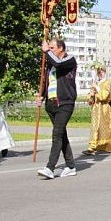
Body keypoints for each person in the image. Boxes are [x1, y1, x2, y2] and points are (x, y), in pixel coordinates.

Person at [36, 36, 78, 179]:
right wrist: (41, 96)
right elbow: (46, 81)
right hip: (51, 103)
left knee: (57, 134)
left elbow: (58, 64)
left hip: (65, 103)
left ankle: (50, 168)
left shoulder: (69, 60)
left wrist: (46, 51)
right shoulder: (51, 64)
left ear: (61, 48)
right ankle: (71, 166)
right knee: (62, 135)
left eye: (52, 48)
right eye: (49, 48)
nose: (50, 50)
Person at [82, 64, 111, 155]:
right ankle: (92, 147)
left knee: (105, 128)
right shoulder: (95, 83)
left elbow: (105, 96)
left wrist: (97, 88)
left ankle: (108, 145)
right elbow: (90, 98)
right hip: (96, 109)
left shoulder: (107, 83)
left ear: (105, 72)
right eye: (99, 72)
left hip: (104, 109)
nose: (100, 74)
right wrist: (91, 95)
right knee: (95, 128)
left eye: (102, 72)